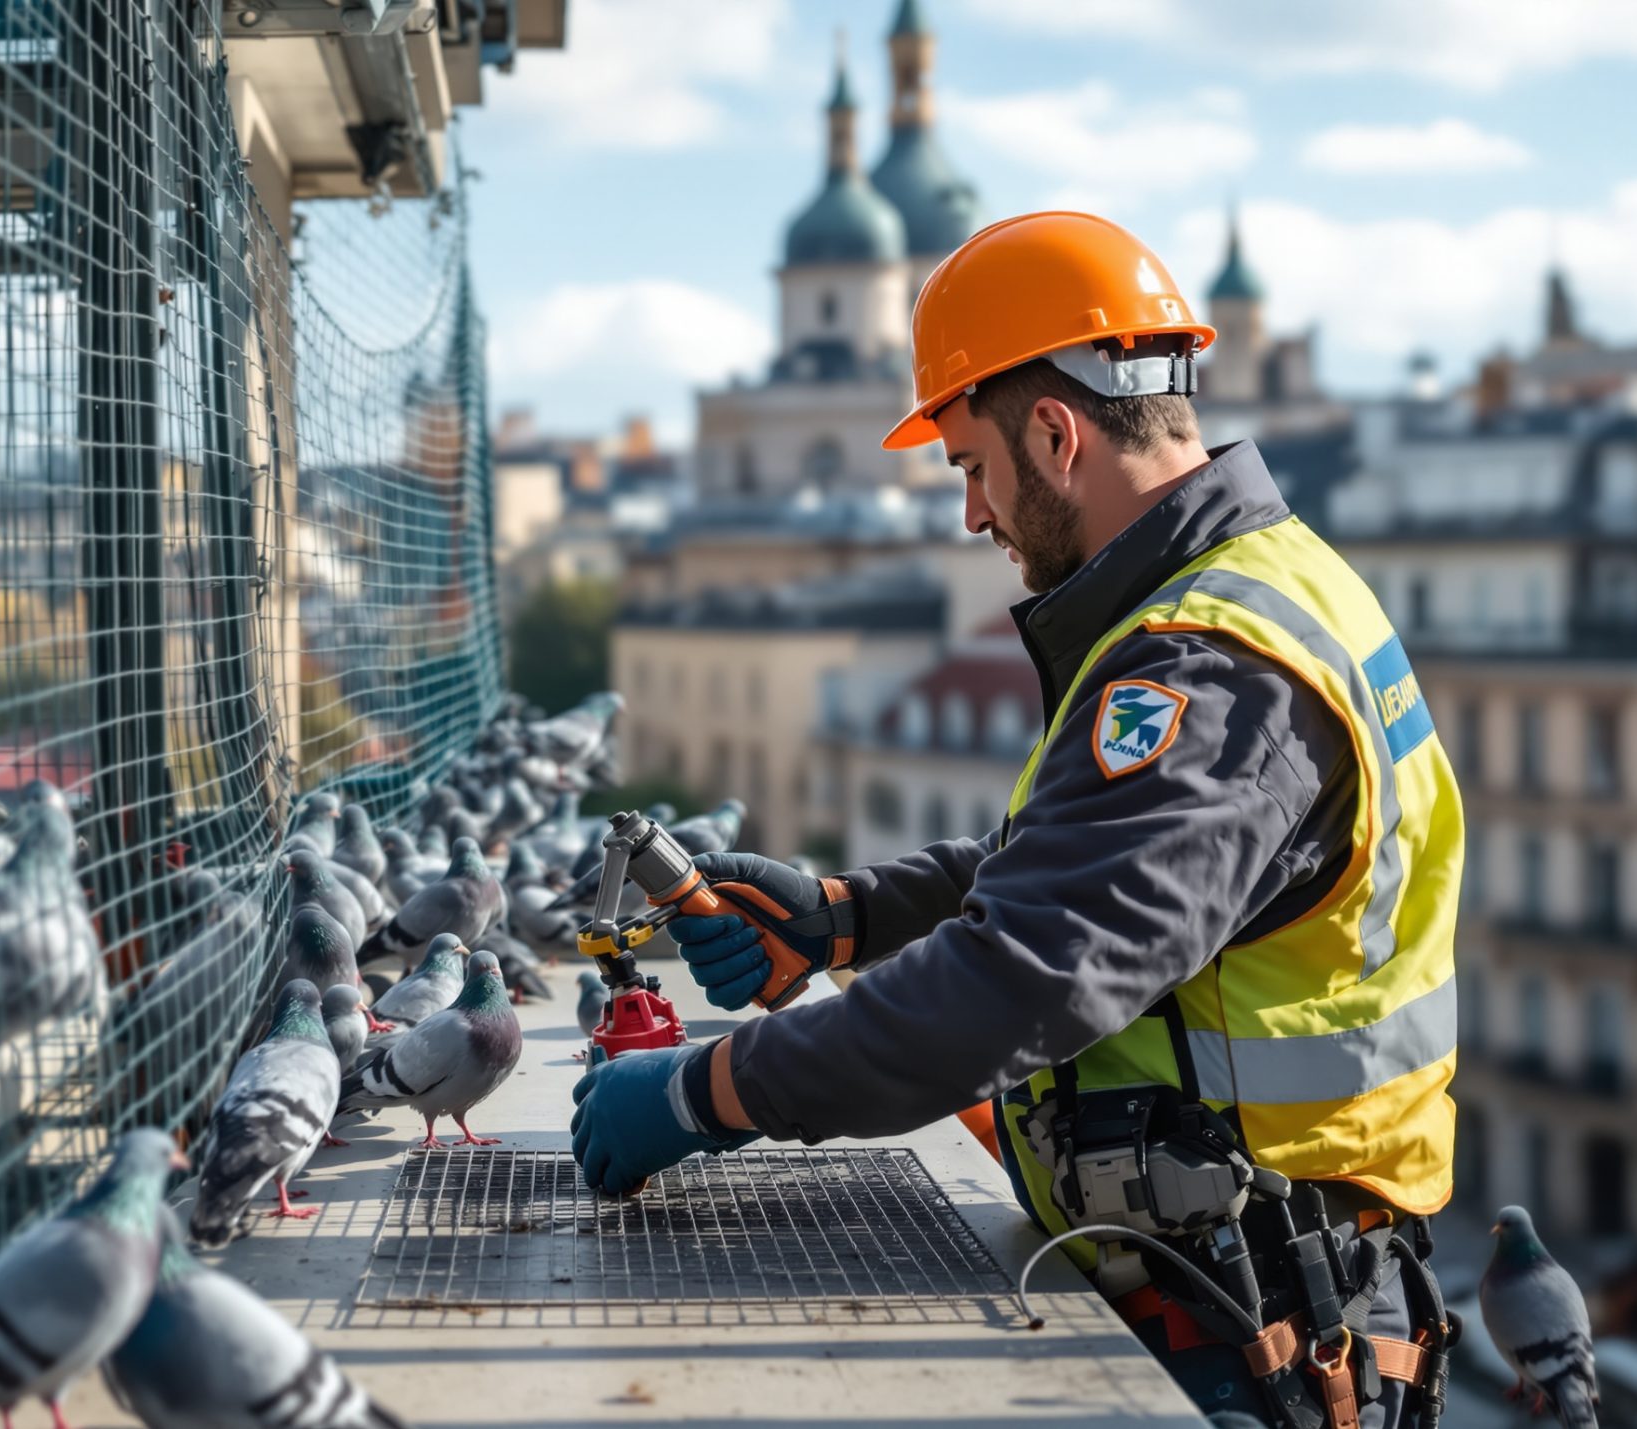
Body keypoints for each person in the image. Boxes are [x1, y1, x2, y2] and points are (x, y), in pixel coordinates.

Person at [568, 212, 1464, 1429]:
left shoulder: (1206, 672)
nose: (973, 518)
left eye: (971, 469)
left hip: (1247, 1330)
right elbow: (1112, 868)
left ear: (1055, 432)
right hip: (1238, 1283)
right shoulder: (1268, 586)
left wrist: (698, 1093)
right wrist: (846, 916)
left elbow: (1023, 977)